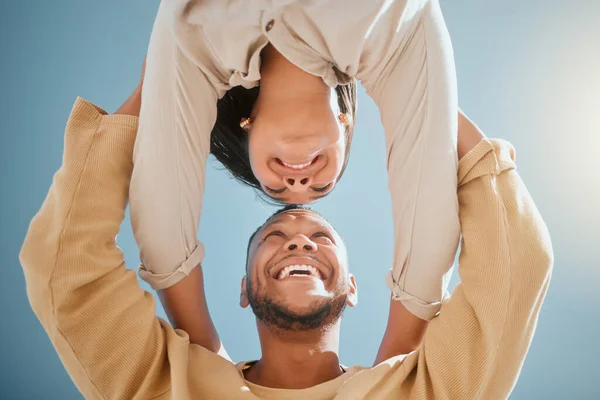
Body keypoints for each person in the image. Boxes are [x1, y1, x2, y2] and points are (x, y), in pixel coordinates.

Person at [20, 70, 553, 399]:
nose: (300, 241)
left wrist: (409, 87)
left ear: (353, 287)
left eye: (321, 238)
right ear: (245, 289)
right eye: (275, 236)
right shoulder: (164, 384)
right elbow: (66, 271)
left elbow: (516, 267)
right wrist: (162, 80)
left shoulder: (423, 390)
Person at [131, 0, 462, 353]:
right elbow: (429, 215)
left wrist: (207, 363)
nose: (300, 183)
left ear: (247, 135)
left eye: (276, 187)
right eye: (322, 185)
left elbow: (163, 234)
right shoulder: (394, 36)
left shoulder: (196, 45)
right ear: (345, 123)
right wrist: (393, 365)